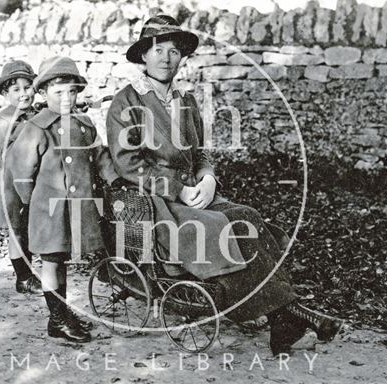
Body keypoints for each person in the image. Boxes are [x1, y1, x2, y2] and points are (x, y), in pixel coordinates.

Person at [105, 14, 343, 355]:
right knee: (218, 227)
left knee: (249, 216)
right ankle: (290, 314)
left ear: (180, 59)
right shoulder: (126, 102)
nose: (165, 58)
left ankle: (282, 320)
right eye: (157, 50)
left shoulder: (185, 101)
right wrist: (178, 189)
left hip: (193, 193)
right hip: (156, 203)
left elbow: (201, 152)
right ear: (143, 55)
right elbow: (129, 164)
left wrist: (208, 178)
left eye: (173, 51)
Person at [9, 56, 119, 343]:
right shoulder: (36, 128)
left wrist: (114, 179)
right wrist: (33, 202)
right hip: (48, 210)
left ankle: (62, 312)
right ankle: (56, 319)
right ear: (43, 94)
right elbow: (21, 170)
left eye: (72, 91)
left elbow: (100, 155)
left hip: (78, 208)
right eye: (59, 93)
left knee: (61, 261)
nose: (67, 98)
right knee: (52, 262)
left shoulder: (84, 125)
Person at [0, 60, 42, 294]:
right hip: (11, 180)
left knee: (28, 226)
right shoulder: (8, 119)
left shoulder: (34, 113)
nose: (23, 94)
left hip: (30, 178)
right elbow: (9, 148)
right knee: (17, 229)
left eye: (27, 87)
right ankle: (23, 277)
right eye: (16, 90)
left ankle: (30, 272)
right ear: (6, 94)